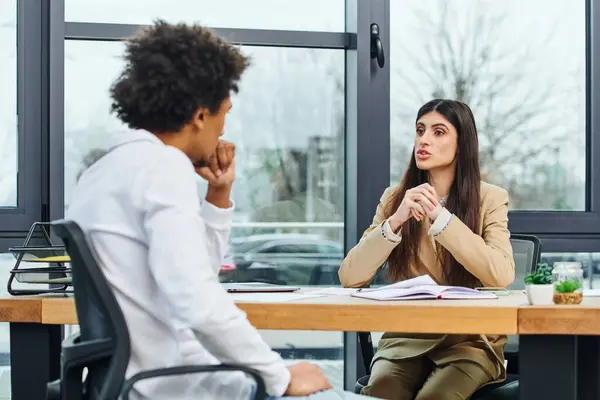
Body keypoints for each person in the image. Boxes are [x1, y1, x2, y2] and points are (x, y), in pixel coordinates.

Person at [66, 20, 373, 400]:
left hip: (138, 382)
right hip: (179, 384)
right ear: (199, 116)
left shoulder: (102, 172)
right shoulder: (162, 168)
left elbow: (193, 275)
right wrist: (279, 376)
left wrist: (218, 196)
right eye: (223, 113)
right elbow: (197, 300)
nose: (223, 129)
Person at [338, 99, 515, 399]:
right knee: (381, 392)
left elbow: (501, 275)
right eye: (420, 130)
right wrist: (395, 221)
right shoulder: (395, 198)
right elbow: (350, 276)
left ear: (462, 144)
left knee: (436, 397)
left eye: (438, 132)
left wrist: (443, 220)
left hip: (469, 342)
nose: (424, 139)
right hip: (406, 337)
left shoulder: (490, 199)